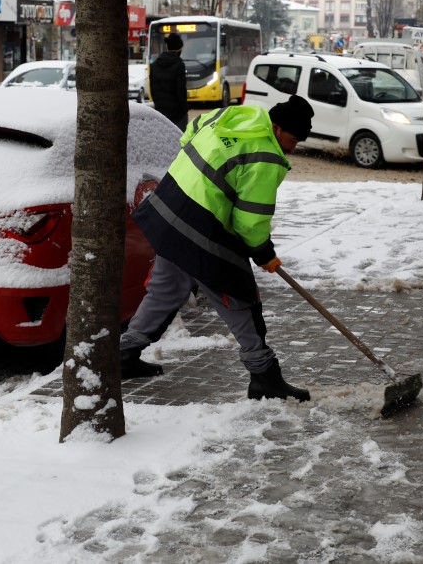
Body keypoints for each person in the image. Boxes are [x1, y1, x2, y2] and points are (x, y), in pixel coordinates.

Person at [119, 95, 315, 402]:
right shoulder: (266, 156)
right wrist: (263, 252)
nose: (293, 148)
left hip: (169, 203)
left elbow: (189, 134)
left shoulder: (235, 116)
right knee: (238, 298)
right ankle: (264, 376)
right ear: (277, 128)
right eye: (292, 138)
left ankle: (123, 354)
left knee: (166, 289)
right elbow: (250, 221)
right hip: (200, 226)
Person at [149, 33, 189, 130]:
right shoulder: (179, 65)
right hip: (177, 114)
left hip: (161, 112)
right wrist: (185, 109)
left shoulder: (155, 64)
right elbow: (181, 91)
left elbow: (152, 89)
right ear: (179, 49)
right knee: (180, 139)